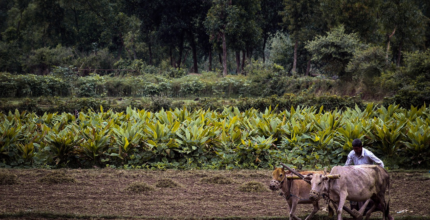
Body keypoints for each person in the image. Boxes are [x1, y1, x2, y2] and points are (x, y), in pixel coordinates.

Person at [344, 139, 393, 220]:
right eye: (354, 148)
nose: (355, 150)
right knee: (353, 196)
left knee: (376, 199)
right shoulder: (352, 154)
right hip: (358, 178)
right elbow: (346, 167)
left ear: (361, 147)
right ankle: (356, 214)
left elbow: (380, 163)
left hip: (368, 179)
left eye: (356, 148)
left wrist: (379, 176)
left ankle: (388, 216)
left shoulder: (368, 154)